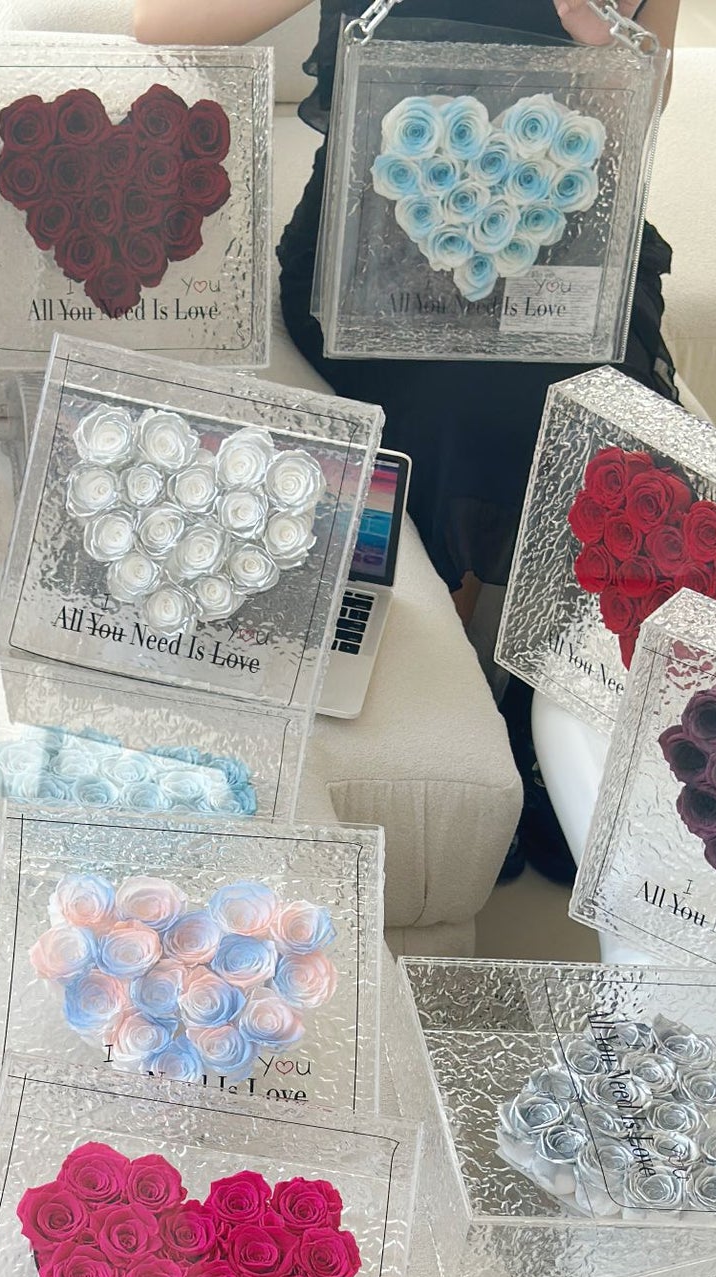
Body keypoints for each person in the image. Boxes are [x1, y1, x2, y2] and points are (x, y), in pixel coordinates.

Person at [136, 0, 680, 880]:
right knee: (460, 405)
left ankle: (546, 710)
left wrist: (593, 26)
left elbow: (640, 103)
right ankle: (463, 695)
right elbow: (164, 26)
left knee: (597, 409)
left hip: (559, 236)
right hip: (377, 244)